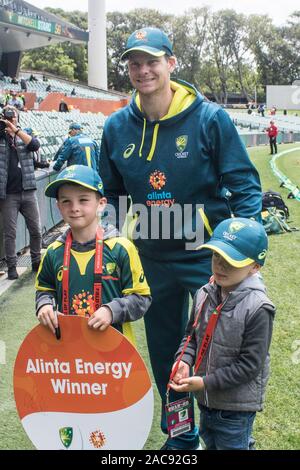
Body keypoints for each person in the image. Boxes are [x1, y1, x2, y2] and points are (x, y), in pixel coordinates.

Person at [99, 27, 262, 450]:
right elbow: (113, 191)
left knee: (221, 350)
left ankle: (229, 434)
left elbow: (243, 184)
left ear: (171, 63)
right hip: (151, 256)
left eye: (152, 61)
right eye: (134, 63)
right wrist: (117, 233)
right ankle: (181, 433)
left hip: (206, 256)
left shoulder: (210, 119)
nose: (142, 70)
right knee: (166, 354)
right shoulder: (116, 127)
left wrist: (245, 250)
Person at [169, 218, 275, 450]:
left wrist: (204, 382)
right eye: (216, 256)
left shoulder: (259, 308)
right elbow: (192, 336)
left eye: (231, 261)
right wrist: (184, 360)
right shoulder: (204, 293)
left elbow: (250, 365)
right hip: (206, 400)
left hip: (236, 409)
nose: (220, 266)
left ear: (255, 266)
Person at [36, 164, 151, 342]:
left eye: (83, 200)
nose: (74, 207)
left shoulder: (121, 248)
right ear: (58, 206)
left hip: (115, 354)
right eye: (66, 201)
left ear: (101, 204)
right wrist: (44, 306)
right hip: (67, 350)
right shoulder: (53, 252)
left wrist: (112, 310)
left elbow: (141, 299)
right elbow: (45, 289)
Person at [0, 106, 42, 279]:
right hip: (8, 194)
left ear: (18, 118)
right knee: (10, 233)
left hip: (28, 191)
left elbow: (35, 145)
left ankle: (36, 261)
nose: (11, 119)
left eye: (14, 116)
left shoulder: (23, 135)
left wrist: (16, 130)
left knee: (36, 230)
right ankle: (11, 267)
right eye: (7, 116)